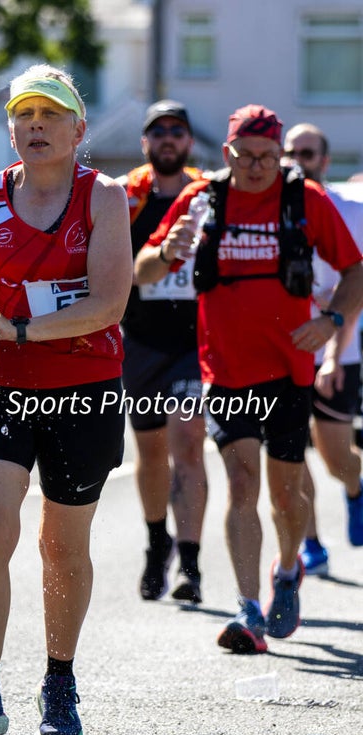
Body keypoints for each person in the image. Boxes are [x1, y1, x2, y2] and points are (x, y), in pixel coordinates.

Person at [0, 64, 132, 735]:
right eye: (23, 115)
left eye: (49, 114)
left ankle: (59, 681)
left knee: (60, 545)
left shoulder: (104, 197)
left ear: (78, 129)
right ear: (10, 130)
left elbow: (109, 303)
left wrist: (17, 328)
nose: (35, 125)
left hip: (83, 388)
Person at [135, 104, 363, 654]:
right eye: (247, 156)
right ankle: (248, 607)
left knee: (287, 497)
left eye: (269, 157)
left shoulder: (304, 200)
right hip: (225, 371)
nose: (259, 167)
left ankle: (286, 572)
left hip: (289, 369)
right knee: (241, 484)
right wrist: (168, 250)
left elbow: (356, 269)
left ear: (280, 154)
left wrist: (330, 323)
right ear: (228, 152)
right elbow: (142, 272)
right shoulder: (203, 199)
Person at [117, 100, 207, 604]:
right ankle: (157, 543)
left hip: (195, 344)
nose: (168, 138)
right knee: (150, 453)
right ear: (146, 143)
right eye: (158, 131)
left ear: (189, 141)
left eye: (177, 130)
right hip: (141, 341)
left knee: (188, 444)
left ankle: (190, 565)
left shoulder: (207, 196)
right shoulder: (126, 197)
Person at [283, 123, 363, 574]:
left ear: (325, 161)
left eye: (307, 153)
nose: (297, 160)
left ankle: (355, 485)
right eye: (290, 151)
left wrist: (333, 354)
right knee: (291, 452)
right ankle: (311, 541)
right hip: (285, 353)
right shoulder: (266, 209)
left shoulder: (351, 210)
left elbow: (355, 292)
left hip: (339, 350)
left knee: (335, 457)